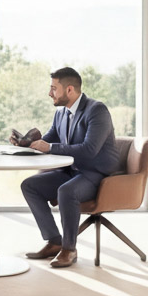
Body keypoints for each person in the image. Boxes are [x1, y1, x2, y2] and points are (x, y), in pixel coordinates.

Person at [17, 67, 118, 269]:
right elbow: (48, 140)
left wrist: (50, 147)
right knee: (30, 185)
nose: (50, 93)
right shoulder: (61, 113)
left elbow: (89, 150)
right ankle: (54, 241)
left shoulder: (97, 110)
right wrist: (25, 143)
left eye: (54, 88)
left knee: (66, 191)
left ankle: (69, 249)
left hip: (96, 174)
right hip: (71, 171)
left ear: (69, 90)